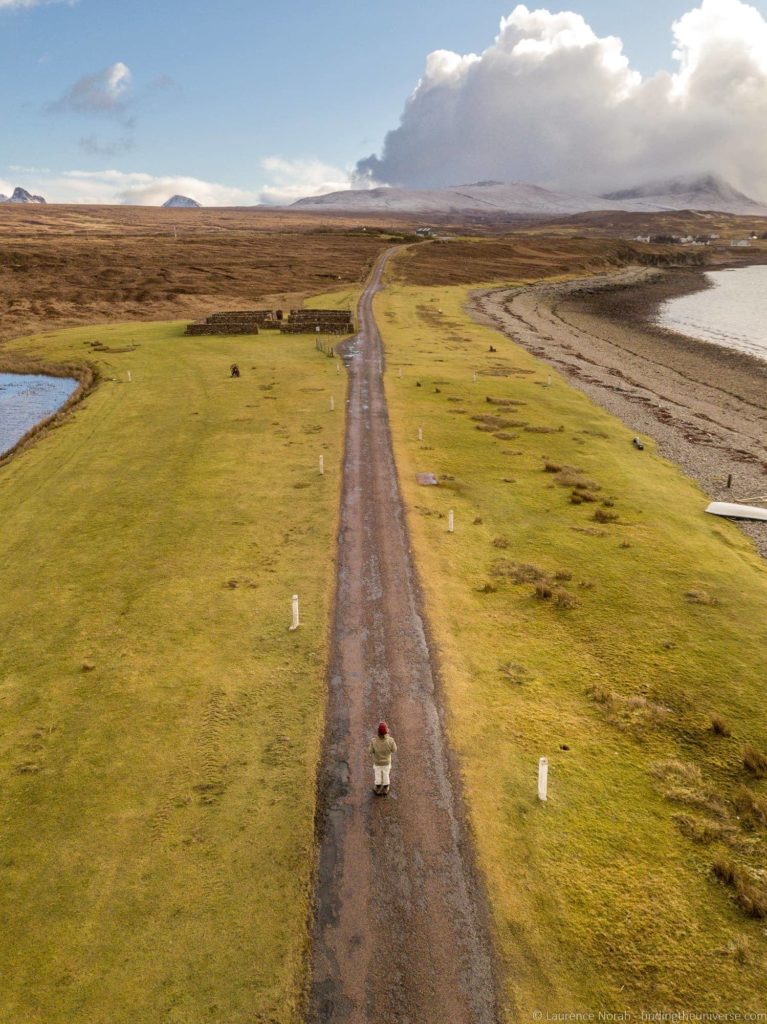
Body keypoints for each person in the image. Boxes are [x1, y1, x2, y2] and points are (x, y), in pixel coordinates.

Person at [369, 721, 397, 796]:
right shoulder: (391, 741)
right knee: (386, 774)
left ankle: (377, 787)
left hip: (377, 762)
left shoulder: (373, 741)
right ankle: (385, 788)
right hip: (387, 762)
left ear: (378, 732)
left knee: (377, 774)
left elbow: (370, 751)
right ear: (386, 731)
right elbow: (394, 750)